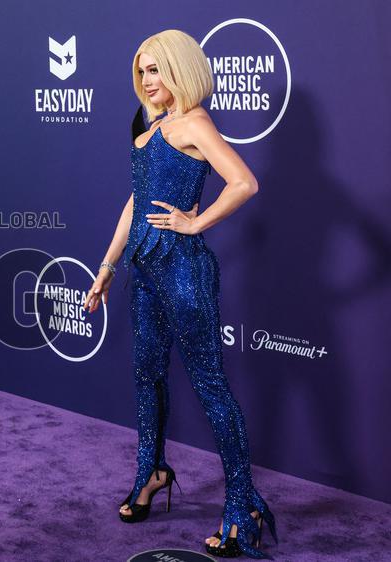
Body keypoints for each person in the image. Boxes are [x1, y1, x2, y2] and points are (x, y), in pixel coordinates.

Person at [83, 30, 276, 559]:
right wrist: (107, 267)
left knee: (211, 387)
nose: (147, 80)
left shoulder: (194, 123)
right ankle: (152, 473)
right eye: (142, 71)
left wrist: (195, 223)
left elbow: (244, 182)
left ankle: (242, 505)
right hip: (144, 269)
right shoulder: (155, 127)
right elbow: (135, 204)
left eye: (156, 70)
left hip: (183, 271)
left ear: (181, 70)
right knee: (146, 375)